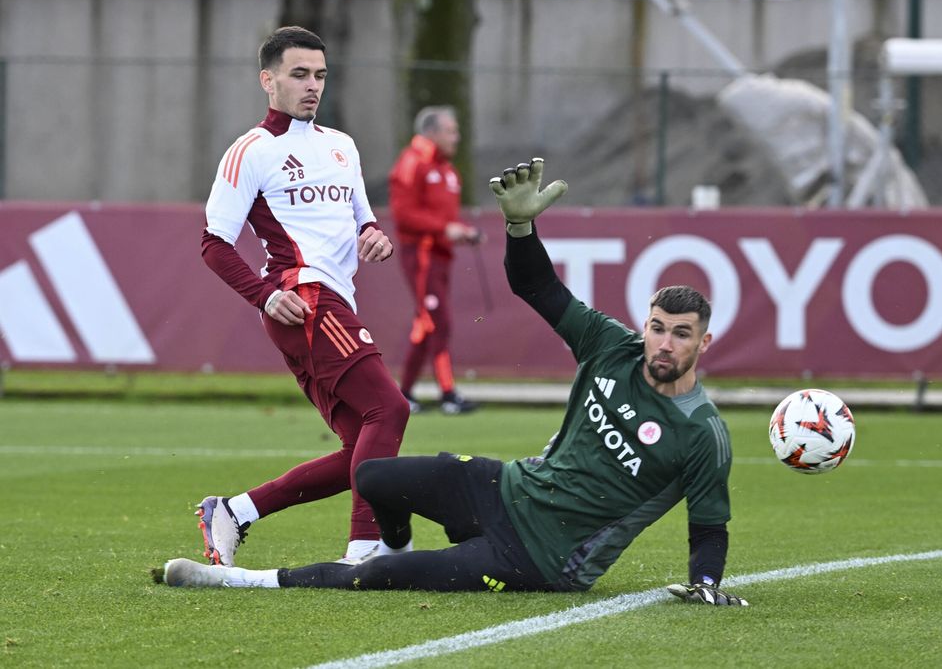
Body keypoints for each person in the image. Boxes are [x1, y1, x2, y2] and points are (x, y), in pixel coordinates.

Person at [159, 158, 746, 607]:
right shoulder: (613, 346)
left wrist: (705, 585)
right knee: (373, 476)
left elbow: (709, 525)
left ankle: (236, 578)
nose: (665, 344)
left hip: (542, 559)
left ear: (703, 344)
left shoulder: (701, 432)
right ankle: (391, 545)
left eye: (681, 335)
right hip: (509, 487)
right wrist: (520, 227)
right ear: (645, 325)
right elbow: (539, 289)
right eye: (658, 328)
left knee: (378, 578)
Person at [197, 26, 411, 567]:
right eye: (298, 74)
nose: (312, 85)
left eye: (319, 75)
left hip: (334, 301)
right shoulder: (252, 150)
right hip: (304, 299)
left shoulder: (342, 146)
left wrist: (374, 238)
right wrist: (264, 295)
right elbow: (214, 244)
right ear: (267, 81)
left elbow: (364, 222)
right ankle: (366, 549)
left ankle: (235, 511)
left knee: (363, 444)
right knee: (390, 408)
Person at [388, 105, 481, 415]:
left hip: (440, 257)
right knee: (437, 322)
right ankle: (447, 392)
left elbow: (441, 218)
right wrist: (445, 229)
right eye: (451, 131)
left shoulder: (447, 171)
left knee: (425, 324)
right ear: (433, 132)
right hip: (422, 255)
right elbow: (403, 215)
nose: (457, 137)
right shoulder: (413, 163)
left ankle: (405, 394)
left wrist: (461, 232)